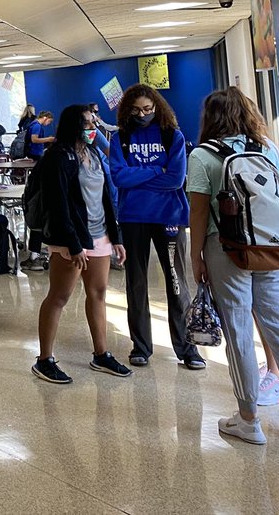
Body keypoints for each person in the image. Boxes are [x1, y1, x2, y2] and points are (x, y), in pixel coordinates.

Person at [188, 87, 279, 445]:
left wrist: (196, 257)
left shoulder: (203, 156)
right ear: (249, 113)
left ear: (210, 118)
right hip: (273, 247)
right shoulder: (267, 149)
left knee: (238, 332)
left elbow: (199, 213)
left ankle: (248, 420)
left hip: (227, 250)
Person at [32, 105, 130, 384]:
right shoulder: (58, 156)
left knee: (97, 293)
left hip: (99, 235)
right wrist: (74, 245)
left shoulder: (95, 154)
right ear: (73, 125)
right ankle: (44, 360)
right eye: (87, 123)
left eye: (94, 123)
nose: (92, 128)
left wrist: (116, 237)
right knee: (59, 296)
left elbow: (106, 198)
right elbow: (58, 204)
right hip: (71, 239)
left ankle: (101, 354)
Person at [109, 84, 204, 371]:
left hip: (168, 217)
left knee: (177, 284)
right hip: (133, 217)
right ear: (128, 110)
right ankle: (141, 346)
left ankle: (188, 348)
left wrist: (138, 175)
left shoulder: (171, 135)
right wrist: (155, 171)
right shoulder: (120, 138)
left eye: (147, 110)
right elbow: (118, 177)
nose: (142, 114)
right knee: (136, 284)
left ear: (157, 107)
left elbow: (175, 179)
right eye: (137, 110)